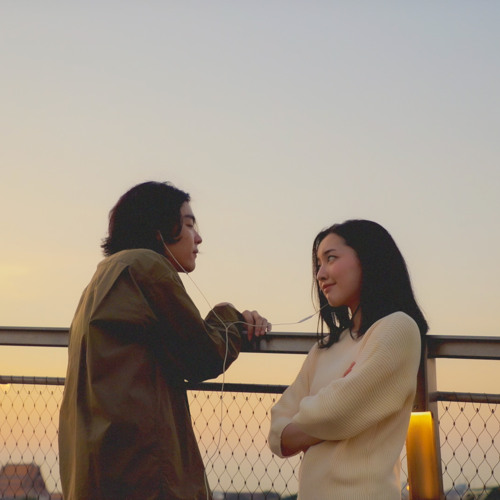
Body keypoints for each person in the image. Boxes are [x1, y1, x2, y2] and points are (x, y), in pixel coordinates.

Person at [58, 181, 270, 500]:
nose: (198, 238)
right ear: (160, 229)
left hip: (99, 465)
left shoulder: (102, 276)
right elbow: (203, 356)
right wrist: (231, 317)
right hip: (144, 470)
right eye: (189, 224)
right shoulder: (147, 267)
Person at [268, 219, 428, 499]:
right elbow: (277, 435)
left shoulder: (398, 328)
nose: (320, 274)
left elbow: (337, 412)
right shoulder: (324, 349)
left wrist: (311, 419)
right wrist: (333, 408)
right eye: (318, 264)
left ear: (368, 258)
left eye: (331, 258)